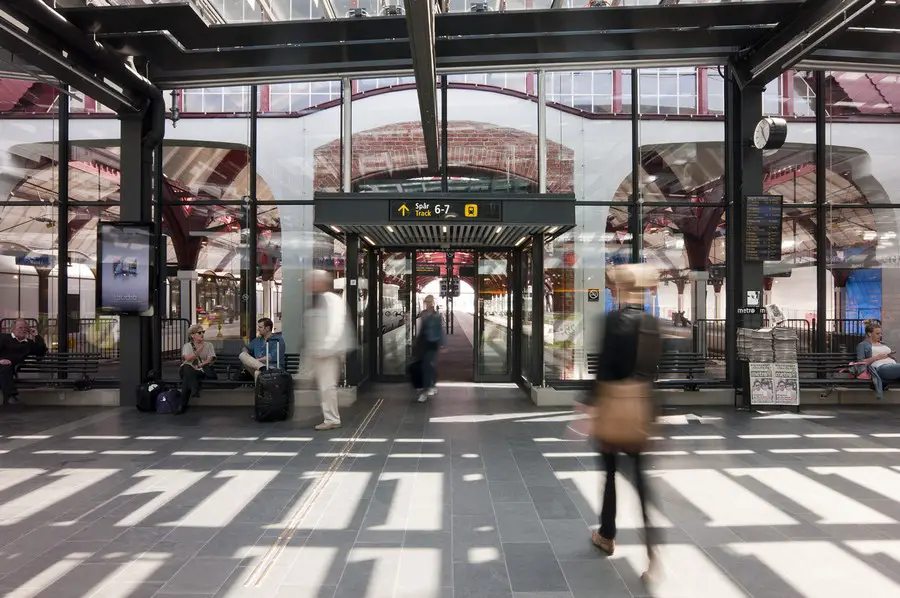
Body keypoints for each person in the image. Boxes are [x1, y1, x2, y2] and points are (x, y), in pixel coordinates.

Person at [587, 263, 662, 585]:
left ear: (618, 290)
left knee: (610, 475)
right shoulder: (651, 323)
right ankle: (652, 554)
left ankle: (607, 534)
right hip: (641, 411)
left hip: (613, 410)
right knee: (643, 485)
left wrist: (590, 407)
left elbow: (603, 369)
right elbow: (655, 372)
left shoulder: (613, 320)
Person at [304, 269, 355, 431]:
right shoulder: (319, 299)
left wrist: (326, 347)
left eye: (313, 281)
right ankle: (329, 417)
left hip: (327, 353)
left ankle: (332, 419)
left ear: (321, 282)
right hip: (319, 352)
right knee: (323, 387)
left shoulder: (332, 300)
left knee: (327, 387)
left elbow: (336, 326)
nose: (310, 284)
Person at [0, 319, 48, 405]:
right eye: (20, 327)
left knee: (6, 369)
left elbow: (41, 351)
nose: (23, 329)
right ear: (13, 329)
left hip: (11, 367)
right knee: (5, 368)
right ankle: (10, 397)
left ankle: (9, 398)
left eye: (25, 328)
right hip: (2, 364)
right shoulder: (3, 338)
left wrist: (36, 336)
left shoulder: (28, 344)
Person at [856, 320, 900, 400]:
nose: (880, 335)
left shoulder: (883, 343)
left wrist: (890, 357)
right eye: (877, 333)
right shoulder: (862, 345)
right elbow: (860, 362)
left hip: (892, 367)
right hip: (880, 369)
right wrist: (877, 357)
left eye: (880, 333)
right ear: (869, 334)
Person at [412, 294, 445, 403]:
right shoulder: (423, 314)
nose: (427, 304)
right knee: (428, 366)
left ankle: (425, 392)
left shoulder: (437, 316)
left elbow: (440, 331)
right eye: (426, 302)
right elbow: (421, 329)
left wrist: (443, 343)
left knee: (427, 366)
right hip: (423, 344)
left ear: (432, 303)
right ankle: (432, 385)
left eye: (429, 302)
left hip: (432, 344)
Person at [180, 324, 216, 407]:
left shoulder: (209, 345)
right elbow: (188, 358)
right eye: (199, 333)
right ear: (192, 335)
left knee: (186, 379)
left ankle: (181, 406)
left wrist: (200, 365)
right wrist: (199, 349)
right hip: (187, 369)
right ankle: (194, 389)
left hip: (199, 371)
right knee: (187, 367)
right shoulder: (187, 346)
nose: (202, 334)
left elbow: (210, 359)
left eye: (203, 332)